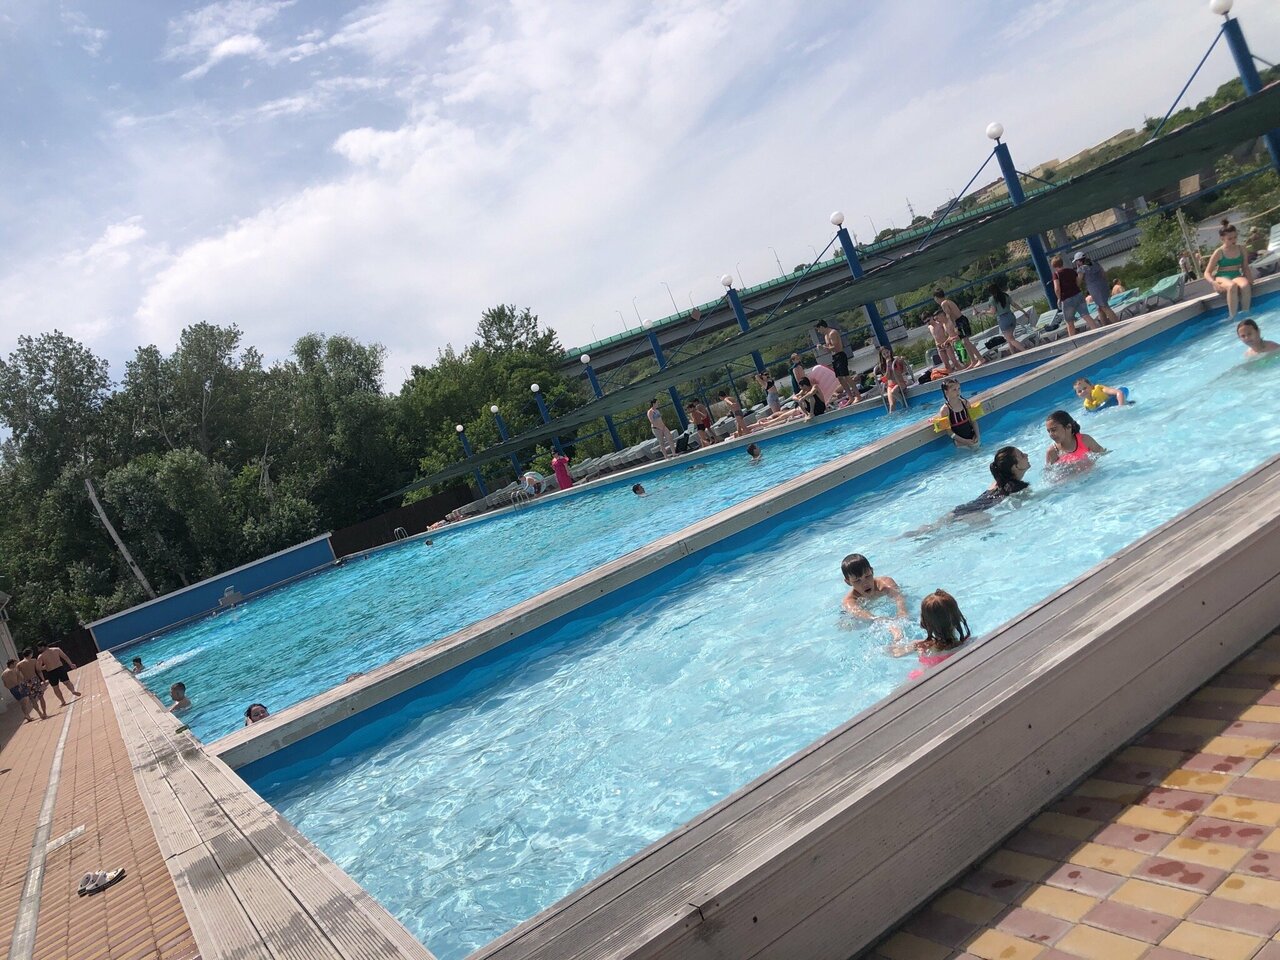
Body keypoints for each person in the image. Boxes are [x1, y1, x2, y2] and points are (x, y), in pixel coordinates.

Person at [889, 590, 972, 680]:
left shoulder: (923, 648)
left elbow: (895, 652)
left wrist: (897, 636)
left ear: (925, 623)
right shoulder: (970, 644)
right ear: (957, 617)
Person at [950, 446, 1031, 517]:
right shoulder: (1019, 490)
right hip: (974, 515)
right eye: (1022, 455)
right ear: (1015, 467)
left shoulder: (996, 483)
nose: (1026, 455)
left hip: (958, 511)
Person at [841, 554, 908, 631]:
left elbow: (899, 598)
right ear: (848, 582)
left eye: (867, 576)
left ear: (872, 571)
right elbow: (860, 614)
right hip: (850, 616)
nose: (865, 583)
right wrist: (880, 620)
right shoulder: (850, 601)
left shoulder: (885, 584)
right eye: (857, 581)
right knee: (847, 626)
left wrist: (902, 612)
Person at [1205, 219, 1253, 321]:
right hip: (1221, 276)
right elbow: (1207, 272)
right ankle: (1233, 317)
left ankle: (1246, 313)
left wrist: (1250, 279)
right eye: (1230, 239)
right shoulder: (1219, 252)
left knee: (1245, 285)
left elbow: (1245, 267)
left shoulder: (1241, 249)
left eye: (1235, 237)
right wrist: (1213, 283)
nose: (1233, 240)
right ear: (1222, 238)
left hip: (1236, 274)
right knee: (1232, 286)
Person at [933, 290, 983, 368]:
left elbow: (949, 315)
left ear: (936, 298)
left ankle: (980, 358)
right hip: (960, 320)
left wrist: (955, 326)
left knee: (966, 342)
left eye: (935, 299)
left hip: (960, 321)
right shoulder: (948, 301)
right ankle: (973, 361)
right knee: (965, 342)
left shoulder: (944, 303)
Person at [1051, 255, 1099, 336]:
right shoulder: (1071, 271)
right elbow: (1078, 282)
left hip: (1066, 299)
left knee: (1070, 322)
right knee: (1086, 316)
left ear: (1054, 266)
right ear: (1062, 263)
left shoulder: (1056, 275)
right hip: (1078, 295)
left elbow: (1057, 289)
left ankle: (1072, 340)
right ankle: (1097, 331)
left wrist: (1059, 298)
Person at [816, 320, 861, 403]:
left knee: (846, 376)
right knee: (840, 378)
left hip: (840, 355)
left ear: (822, 327)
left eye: (818, 329)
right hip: (834, 357)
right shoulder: (826, 336)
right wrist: (823, 348)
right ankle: (850, 397)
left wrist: (824, 347)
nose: (819, 331)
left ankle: (858, 395)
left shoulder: (832, 333)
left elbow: (835, 347)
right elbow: (829, 350)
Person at [1073, 252, 1118, 325]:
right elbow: (1103, 274)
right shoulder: (1095, 264)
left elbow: (1078, 282)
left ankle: (1117, 322)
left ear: (1079, 261)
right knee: (1099, 308)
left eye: (1076, 261)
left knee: (1104, 307)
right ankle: (1105, 325)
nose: (1076, 263)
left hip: (1094, 289)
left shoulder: (1081, 269)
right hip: (1103, 285)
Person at [937, 378, 980, 448]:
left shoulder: (965, 403)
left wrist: (977, 436)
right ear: (946, 392)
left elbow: (973, 421)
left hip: (973, 437)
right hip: (959, 443)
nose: (958, 391)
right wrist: (965, 441)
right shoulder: (944, 410)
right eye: (954, 390)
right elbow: (949, 432)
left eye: (959, 388)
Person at [985, 283, 1027, 355]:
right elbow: (1015, 305)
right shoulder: (1005, 295)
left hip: (1003, 320)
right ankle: (1013, 354)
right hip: (1011, 317)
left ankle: (1026, 351)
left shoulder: (992, 299)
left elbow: (993, 312)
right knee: (1009, 339)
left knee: (1010, 339)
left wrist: (984, 312)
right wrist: (1024, 312)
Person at [874, 346, 910, 412]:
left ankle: (904, 405)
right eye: (884, 354)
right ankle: (892, 417)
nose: (886, 355)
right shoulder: (882, 365)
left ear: (890, 352)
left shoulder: (896, 360)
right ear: (882, 356)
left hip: (900, 383)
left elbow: (904, 371)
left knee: (893, 391)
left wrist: (902, 362)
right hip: (890, 385)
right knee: (892, 405)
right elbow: (887, 377)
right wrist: (888, 365)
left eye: (887, 352)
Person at [15, 649, 48, 719]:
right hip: (35, 679)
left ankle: (39, 713)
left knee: (32, 699)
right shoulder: (34, 660)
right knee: (41, 697)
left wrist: (20, 684)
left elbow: (18, 675)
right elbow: (39, 670)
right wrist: (43, 679)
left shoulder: (19, 664)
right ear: (30, 654)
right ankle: (44, 713)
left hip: (27, 682)